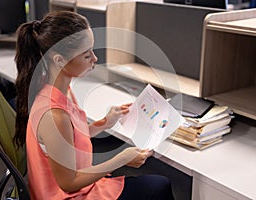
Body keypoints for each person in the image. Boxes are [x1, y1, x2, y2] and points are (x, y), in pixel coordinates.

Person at [13, 11, 174, 200]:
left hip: (74, 184)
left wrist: (105, 122)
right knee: (159, 185)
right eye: (86, 55)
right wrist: (121, 159)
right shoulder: (54, 114)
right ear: (59, 60)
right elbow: (68, 183)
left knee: (155, 184)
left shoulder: (58, 88)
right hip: (67, 194)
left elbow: (68, 140)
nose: (95, 58)